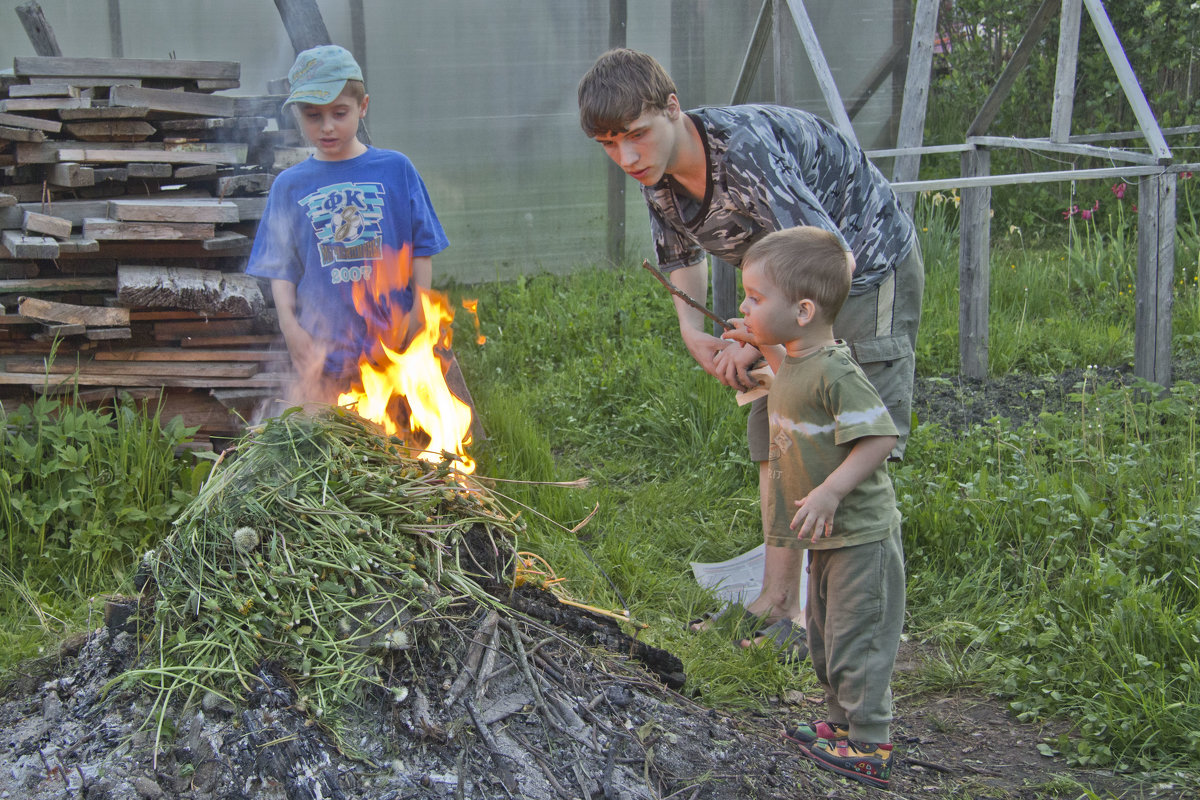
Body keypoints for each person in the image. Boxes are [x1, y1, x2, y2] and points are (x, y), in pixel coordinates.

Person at [577, 48, 922, 646]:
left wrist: (760, 342)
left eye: (636, 135)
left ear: (673, 108)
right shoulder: (654, 170)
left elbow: (827, 261)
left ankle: (838, 626)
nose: (626, 156)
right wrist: (696, 331)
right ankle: (776, 602)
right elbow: (680, 255)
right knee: (778, 437)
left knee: (835, 440)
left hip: (858, 276)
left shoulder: (744, 154)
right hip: (782, 297)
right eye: (609, 143)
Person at [723, 226, 904, 790]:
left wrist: (831, 490)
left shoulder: (836, 370)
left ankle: (870, 743)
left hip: (859, 534)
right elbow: (787, 378)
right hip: (826, 536)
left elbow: (880, 437)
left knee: (857, 638)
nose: (744, 306)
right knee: (825, 636)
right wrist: (759, 339)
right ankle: (840, 725)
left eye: (755, 298)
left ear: (802, 310)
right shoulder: (800, 361)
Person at [247, 44, 476, 424]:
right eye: (313, 115)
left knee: (398, 455)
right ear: (296, 115)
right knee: (329, 459)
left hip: (393, 347)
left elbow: (422, 248)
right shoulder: (289, 186)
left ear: (363, 106)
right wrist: (290, 327)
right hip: (323, 353)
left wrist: (418, 311)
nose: (327, 126)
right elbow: (280, 268)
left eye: (340, 113)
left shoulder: (396, 170)